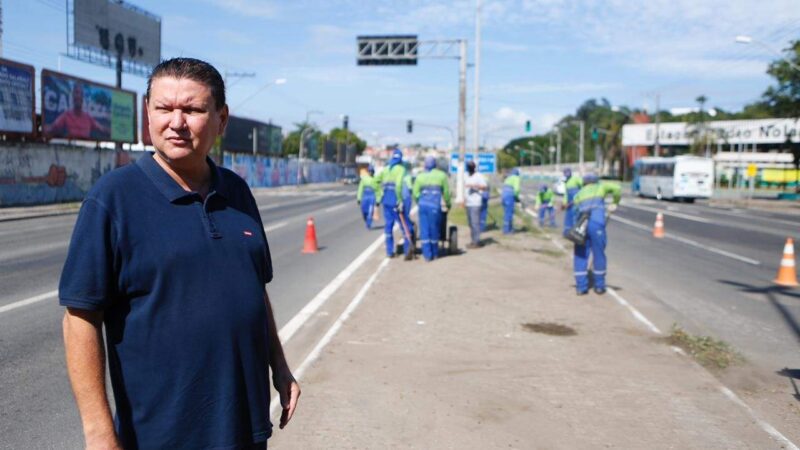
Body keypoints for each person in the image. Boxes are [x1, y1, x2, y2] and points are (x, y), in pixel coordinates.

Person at [59, 58, 300, 450]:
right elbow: (80, 317)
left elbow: (254, 288)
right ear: (147, 114)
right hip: (161, 434)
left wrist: (280, 365)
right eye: (164, 108)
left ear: (221, 119)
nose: (176, 122)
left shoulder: (237, 192)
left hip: (245, 425)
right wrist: (99, 432)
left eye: (192, 110)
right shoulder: (113, 199)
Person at [572, 172, 621, 296]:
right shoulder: (601, 187)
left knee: (580, 255)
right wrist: (615, 202)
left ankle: (581, 287)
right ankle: (599, 286)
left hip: (582, 226)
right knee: (598, 254)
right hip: (597, 224)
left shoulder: (578, 194)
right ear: (596, 181)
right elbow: (617, 188)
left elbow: (575, 212)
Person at [413, 155, 451, 261]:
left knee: (424, 230)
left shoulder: (420, 176)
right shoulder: (441, 176)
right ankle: (434, 253)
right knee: (434, 229)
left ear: (425, 165)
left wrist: (419, 201)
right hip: (434, 206)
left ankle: (427, 255)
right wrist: (448, 204)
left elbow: (415, 193)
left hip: (423, 206)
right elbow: (446, 193)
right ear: (435, 164)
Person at [46, 82, 110, 140]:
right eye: (76, 92)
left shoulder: (88, 118)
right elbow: (51, 128)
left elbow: (103, 129)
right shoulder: (66, 116)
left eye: (81, 93)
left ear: (83, 97)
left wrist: (117, 132)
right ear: (73, 95)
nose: (78, 96)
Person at [377, 148, 410, 257]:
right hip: (395, 201)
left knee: (388, 226)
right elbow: (399, 186)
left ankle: (389, 252)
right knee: (404, 226)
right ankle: (407, 251)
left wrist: (380, 193)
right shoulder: (400, 169)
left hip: (386, 200)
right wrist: (400, 200)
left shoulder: (386, 169)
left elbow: (375, 181)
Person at [464, 160, 487, 248]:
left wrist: (474, 186)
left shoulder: (478, 176)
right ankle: (473, 240)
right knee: (470, 223)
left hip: (476, 202)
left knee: (475, 223)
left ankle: (476, 242)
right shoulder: (466, 176)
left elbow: (484, 186)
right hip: (468, 203)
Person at [562, 167, 583, 237]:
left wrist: (577, 200)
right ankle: (567, 232)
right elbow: (566, 193)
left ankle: (574, 234)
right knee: (568, 217)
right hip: (569, 203)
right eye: (565, 173)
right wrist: (564, 203)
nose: (566, 174)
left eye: (567, 172)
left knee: (575, 217)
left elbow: (583, 189)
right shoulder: (566, 182)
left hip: (576, 203)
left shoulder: (576, 179)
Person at [501, 168, 521, 234]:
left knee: (506, 213)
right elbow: (517, 189)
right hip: (509, 196)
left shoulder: (508, 178)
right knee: (509, 213)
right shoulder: (516, 178)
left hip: (503, 196)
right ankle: (507, 230)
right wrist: (516, 197)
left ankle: (506, 228)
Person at [357, 165, 377, 229]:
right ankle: (366, 219)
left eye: (372, 171)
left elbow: (378, 190)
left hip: (372, 197)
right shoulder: (364, 179)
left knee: (370, 211)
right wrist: (359, 198)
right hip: (365, 197)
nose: (371, 172)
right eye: (370, 171)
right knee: (364, 211)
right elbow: (360, 189)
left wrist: (378, 199)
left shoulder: (376, 179)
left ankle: (369, 224)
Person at [401, 166, 415, 246]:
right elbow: (410, 188)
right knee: (406, 217)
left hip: (399, 199)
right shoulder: (408, 177)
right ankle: (409, 234)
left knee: (403, 217)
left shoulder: (397, 177)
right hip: (406, 199)